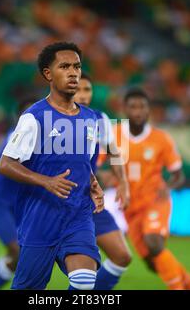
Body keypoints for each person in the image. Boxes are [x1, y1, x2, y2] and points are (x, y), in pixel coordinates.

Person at [0, 42, 104, 290]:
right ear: (48, 74)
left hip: (78, 214)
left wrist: (93, 183)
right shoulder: (33, 117)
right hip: (40, 217)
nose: (73, 73)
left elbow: (82, 162)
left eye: (77, 66)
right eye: (64, 66)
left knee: (84, 282)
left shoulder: (90, 118)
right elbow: (5, 163)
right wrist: (46, 181)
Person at [114, 88, 190, 290]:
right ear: (124, 109)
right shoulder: (113, 135)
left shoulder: (161, 138)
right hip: (129, 205)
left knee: (154, 243)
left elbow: (178, 174)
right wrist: (104, 176)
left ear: (148, 110)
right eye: (133, 106)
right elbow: (97, 164)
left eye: (142, 106)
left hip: (155, 199)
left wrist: (168, 187)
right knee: (152, 263)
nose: (138, 111)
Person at [73, 73, 132, 290]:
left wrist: (122, 182)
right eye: (78, 89)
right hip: (56, 202)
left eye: (87, 89)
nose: (83, 94)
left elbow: (114, 153)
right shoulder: (52, 118)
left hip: (88, 203)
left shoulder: (100, 119)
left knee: (122, 256)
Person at [0, 98, 36, 290]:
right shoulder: (14, 137)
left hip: (19, 205)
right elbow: (9, 167)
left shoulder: (46, 140)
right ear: (19, 118)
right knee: (18, 252)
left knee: (24, 253)